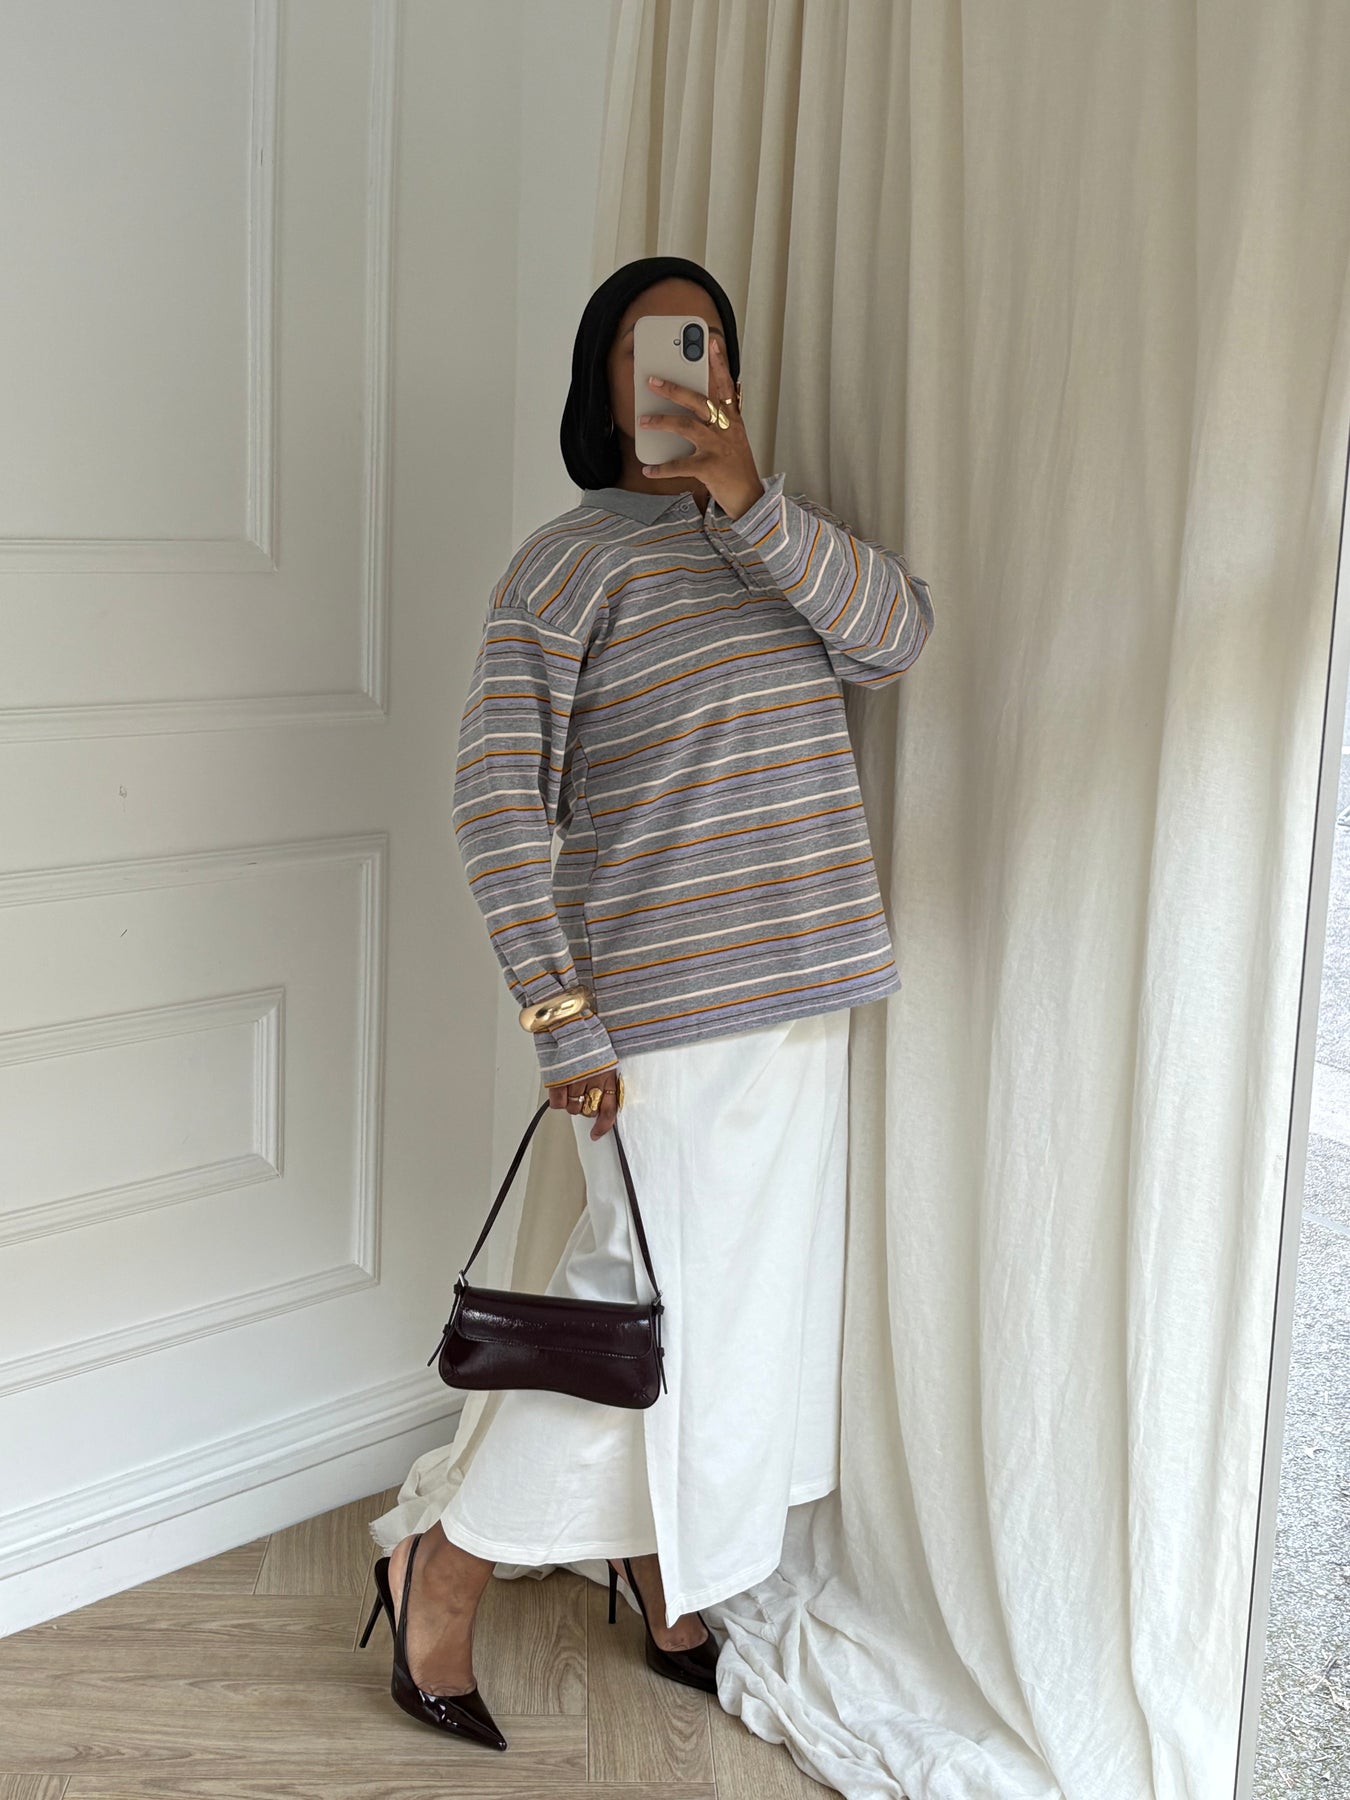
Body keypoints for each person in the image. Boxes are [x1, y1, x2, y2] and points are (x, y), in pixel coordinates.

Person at [364, 255, 934, 1749]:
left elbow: (895, 637)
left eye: (703, 342)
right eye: (649, 345)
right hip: (661, 1023)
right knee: (637, 1311)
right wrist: (558, 1012)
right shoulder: (565, 567)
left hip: (803, 994)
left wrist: (747, 498)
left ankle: (662, 1566)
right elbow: (495, 799)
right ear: (601, 379)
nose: (681, 366)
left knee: (734, 1331)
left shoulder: (779, 538)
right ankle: (446, 1569)